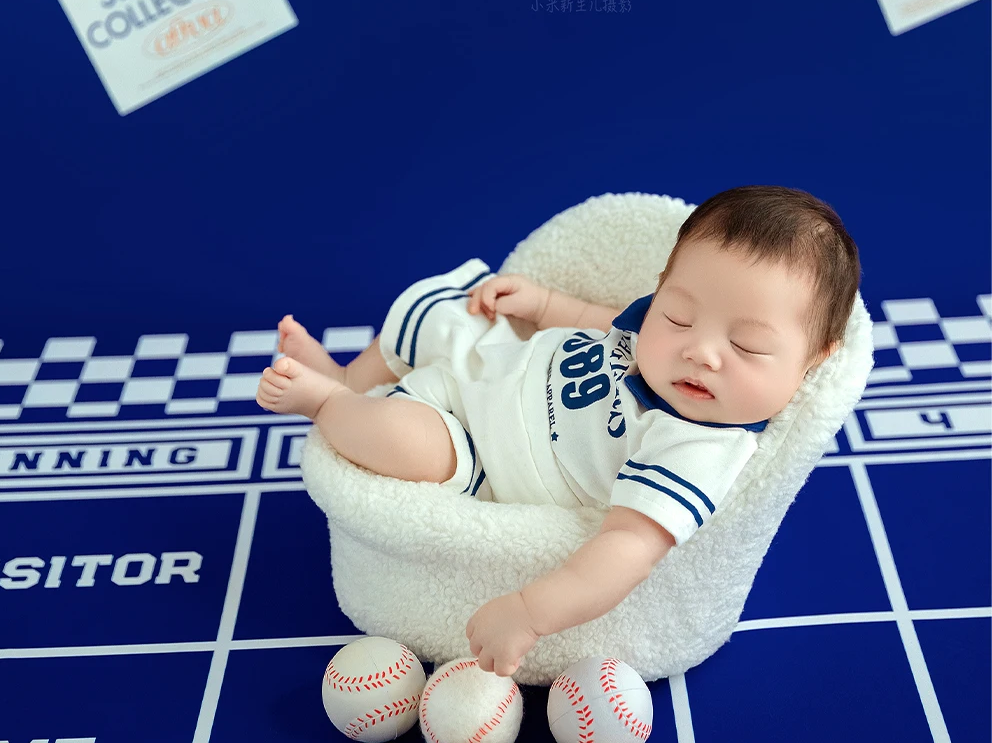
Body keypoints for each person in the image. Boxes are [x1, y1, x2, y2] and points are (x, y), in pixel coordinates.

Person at [256, 185, 861, 677]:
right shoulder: (654, 335)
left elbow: (625, 550)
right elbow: (599, 324)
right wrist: (542, 304)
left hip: (475, 445)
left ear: (814, 360)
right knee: (438, 312)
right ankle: (351, 375)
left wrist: (528, 612)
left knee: (398, 442)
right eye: (678, 315)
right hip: (490, 360)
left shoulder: (697, 445)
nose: (699, 351)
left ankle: (328, 402)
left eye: (746, 344)